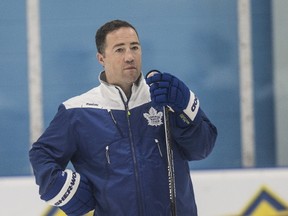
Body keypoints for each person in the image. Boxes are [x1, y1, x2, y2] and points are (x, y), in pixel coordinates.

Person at [29, 19, 217, 216]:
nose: (129, 56)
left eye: (134, 47)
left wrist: (185, 108)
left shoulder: (166, 97)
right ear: (101, 58)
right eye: (119, 49)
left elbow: (202, 148)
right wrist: (60, 188)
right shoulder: (77, 111)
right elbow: (41, 153)